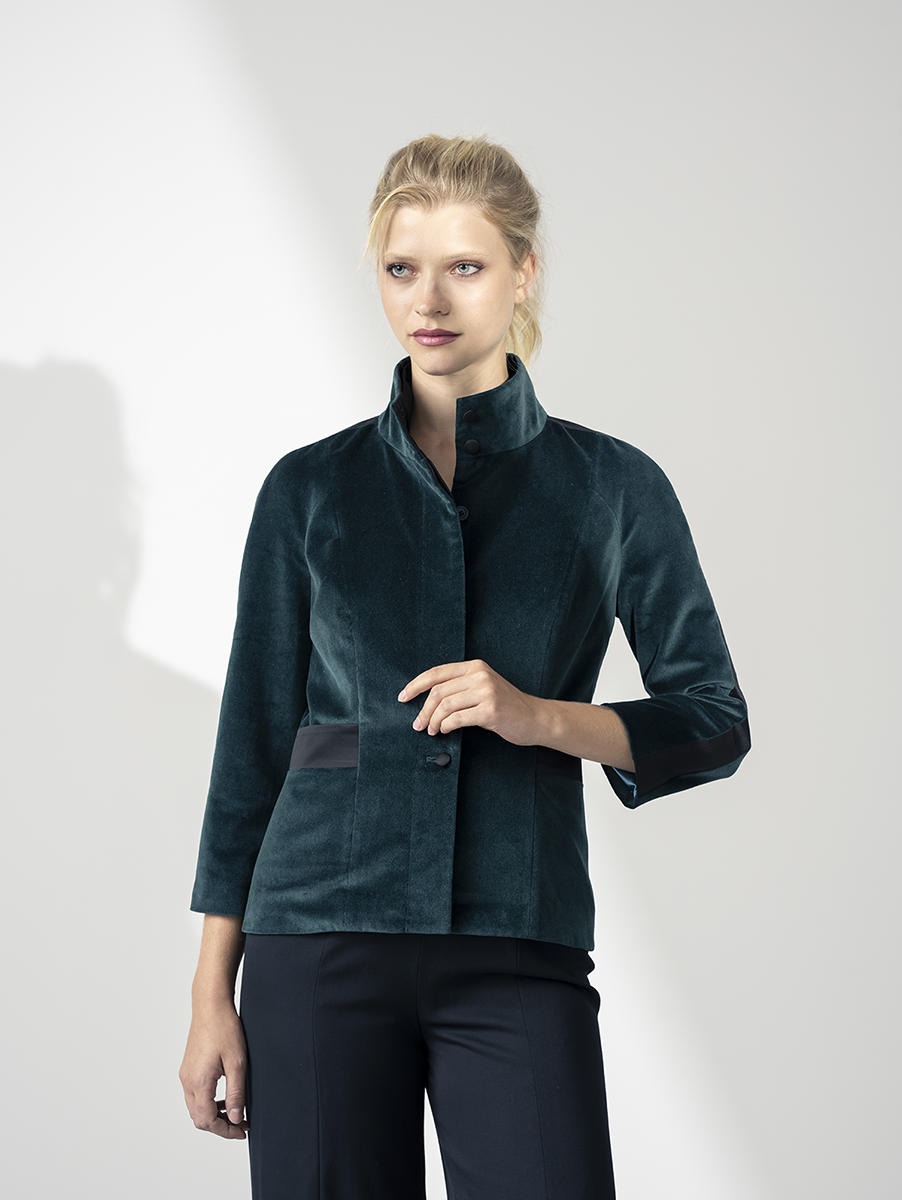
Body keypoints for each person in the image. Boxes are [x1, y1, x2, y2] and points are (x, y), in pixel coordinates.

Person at [179, 133, 750, 1200]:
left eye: (465, 266)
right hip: (316, 939)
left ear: (523, 272)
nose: (427, 300)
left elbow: (714, 717)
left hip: (515, 938)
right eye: (402, 268)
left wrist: (539, 717)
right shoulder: (309, 489)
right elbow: (251, 746)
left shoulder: (609, 486)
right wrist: (213, 992)